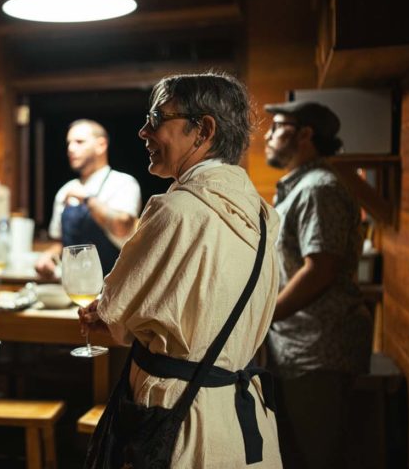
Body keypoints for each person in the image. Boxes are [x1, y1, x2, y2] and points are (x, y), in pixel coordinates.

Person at [79, 72, 282, 468]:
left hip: (178, 424)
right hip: (242, 424)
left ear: (203, 130)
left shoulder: (176, 210)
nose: (142, 132)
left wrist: (105, 316)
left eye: (156, 118)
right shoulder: (259, 215)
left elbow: (115, 315)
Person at [263, 100, 372, 468]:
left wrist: (263, 316)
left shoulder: (317, 188)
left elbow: (321, 269)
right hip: (300, 347)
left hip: (317, 350)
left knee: (318, 458)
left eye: (278, 126)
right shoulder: (302, 185)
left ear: (305, 134)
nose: (268, 134)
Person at [35, 119, 141, 277]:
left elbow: (123, 227)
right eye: (69, 143)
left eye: (79, 142)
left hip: (114, 286)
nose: (71, 148)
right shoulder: (66, 190)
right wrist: (49, 256)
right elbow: (60, 242)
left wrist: (87, 200)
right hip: (74, 285)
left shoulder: (123, 183)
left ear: (101, 145)